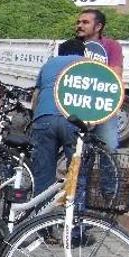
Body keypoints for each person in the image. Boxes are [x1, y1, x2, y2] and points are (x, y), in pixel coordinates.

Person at [29, 38, 86, 196]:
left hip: (44, 117)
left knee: (43, 172)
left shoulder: (48, 64)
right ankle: (75, 212)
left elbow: (36, 96)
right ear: (82, 52)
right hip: (74, 120)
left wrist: (35, 117)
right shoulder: (87, 64)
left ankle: (40, 213)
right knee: (76, 172)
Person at [75, 9, 122, 153]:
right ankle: (81, 176)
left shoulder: (111, 46)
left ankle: (110, 177)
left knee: (108, 148)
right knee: (79, 151)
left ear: (98, 27)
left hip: (103, 107)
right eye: (78, 22)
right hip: (77, 105)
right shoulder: (73, 45)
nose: (79, 25)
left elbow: (115, 75)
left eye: (85, 22)